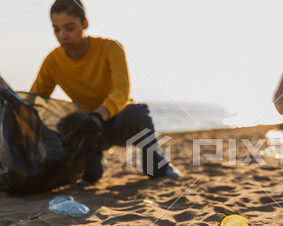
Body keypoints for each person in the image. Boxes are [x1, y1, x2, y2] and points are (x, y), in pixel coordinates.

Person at [31, 0, 179, 182]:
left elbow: (121, 92)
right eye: (56, 29)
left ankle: (156, 163)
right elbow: (35, 100)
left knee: (137, 112)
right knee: (90, 176)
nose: (62, 35)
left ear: (84, 23)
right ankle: (95, 164)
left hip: (118, 121)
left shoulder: (111, 48)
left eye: (69, 28)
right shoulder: (52, 62)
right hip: (89, 129)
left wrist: (98, 115)